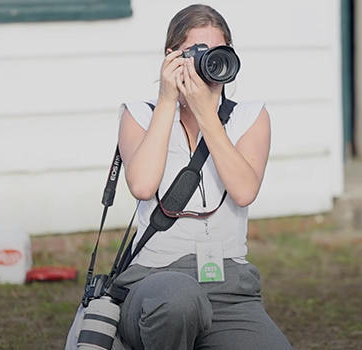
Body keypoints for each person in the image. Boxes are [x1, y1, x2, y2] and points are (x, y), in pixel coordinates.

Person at [111, 4, 292, 350]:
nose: (207, 63)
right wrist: (168, 101)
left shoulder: (250, 117)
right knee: (179, 299)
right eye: (196, 53)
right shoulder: (139, 115)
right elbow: (142, 185)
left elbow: (244, 190)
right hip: (156, 283)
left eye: (217, 53)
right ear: (171, 57)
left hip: (228, 289)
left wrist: (208, 114)